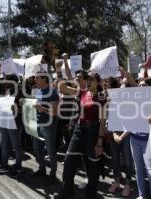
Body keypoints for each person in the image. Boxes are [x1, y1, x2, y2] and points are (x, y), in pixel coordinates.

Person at [56, 63, 106, 198]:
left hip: (93, 132)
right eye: (86, 79)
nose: (88, 81)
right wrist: (59, 71)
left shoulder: (102, 97)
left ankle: (90, 196)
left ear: (98, 82)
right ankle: (67, 193)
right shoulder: (82, 92)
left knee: (93, 167)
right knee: (68, 162)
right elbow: (61, 87)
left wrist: (100, 142)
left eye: (91, 79)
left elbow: (103, 121)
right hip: (79, 130)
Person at [32, 71, 59, 182]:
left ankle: (53, 175)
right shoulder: (39, 91)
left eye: (37, 78)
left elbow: (55, 112)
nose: (35, 80)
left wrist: (42, 109)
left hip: (48, 126)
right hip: (37, 124)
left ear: (44, 79)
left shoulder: (52, 93)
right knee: (37, 149)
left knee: (50, 150)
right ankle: (42, 169)